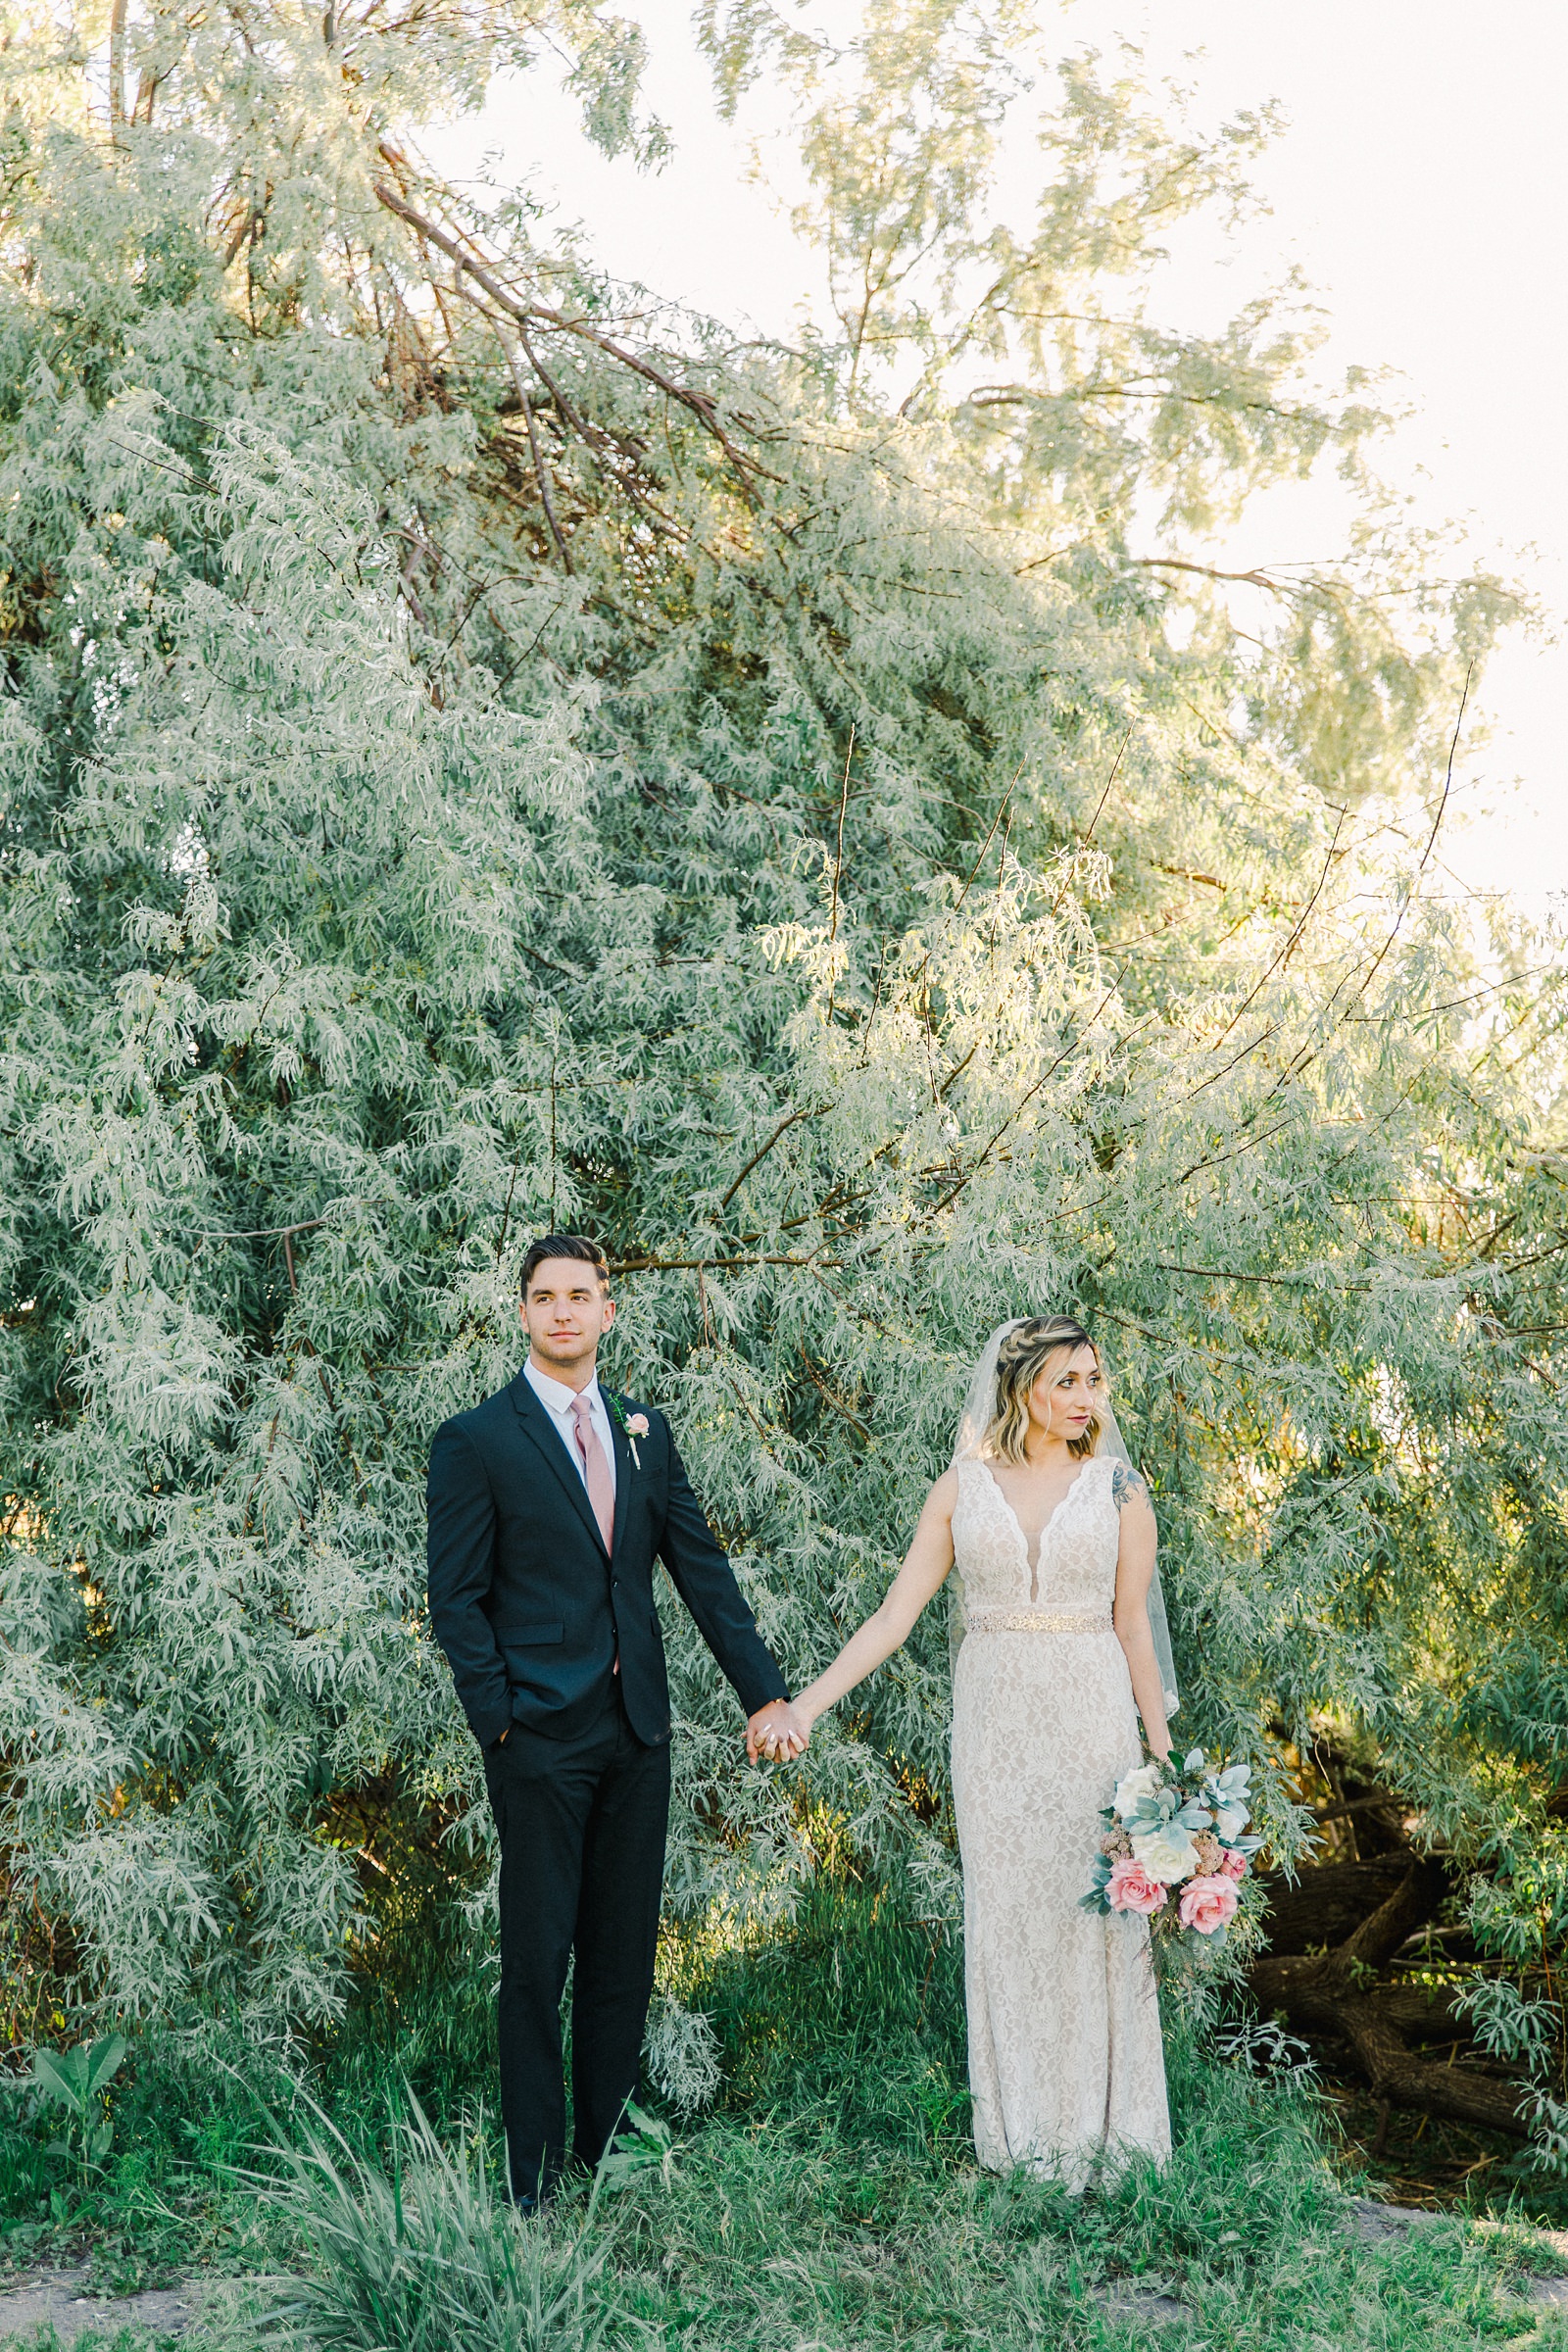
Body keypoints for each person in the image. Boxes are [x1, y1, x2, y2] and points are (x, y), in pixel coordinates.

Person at [425, 1234, 801, 2207]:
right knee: (537, 1960)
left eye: (579, 1295)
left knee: (622, 1959)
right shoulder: (477, 1440)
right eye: (544, 1296)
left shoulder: (645, 1429)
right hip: (538, 1740)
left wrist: (764, 1691)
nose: (562, 1311)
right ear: (521, 1313)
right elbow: (456, 1599)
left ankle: (602, 2162)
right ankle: (535, 2184)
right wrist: (497, 1723)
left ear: (607, 1312)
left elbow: (702, 1572)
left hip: (637, 1732)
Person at [760, 1314, 1175, 2184]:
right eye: (1067, 1380)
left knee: (1091, 1918)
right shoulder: (961, 1486)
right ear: (1021, 1385)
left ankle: (1115, 2140)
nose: (1084, 1398)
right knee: (1010, 1916)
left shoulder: (1121, 1490)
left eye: (1094, 1381)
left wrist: (1162, 1762)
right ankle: (1020, 2140)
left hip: (1090, 1723)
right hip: (993, 1733)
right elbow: (893, 1617)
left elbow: (1133, 1627)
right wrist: (803, 1706)